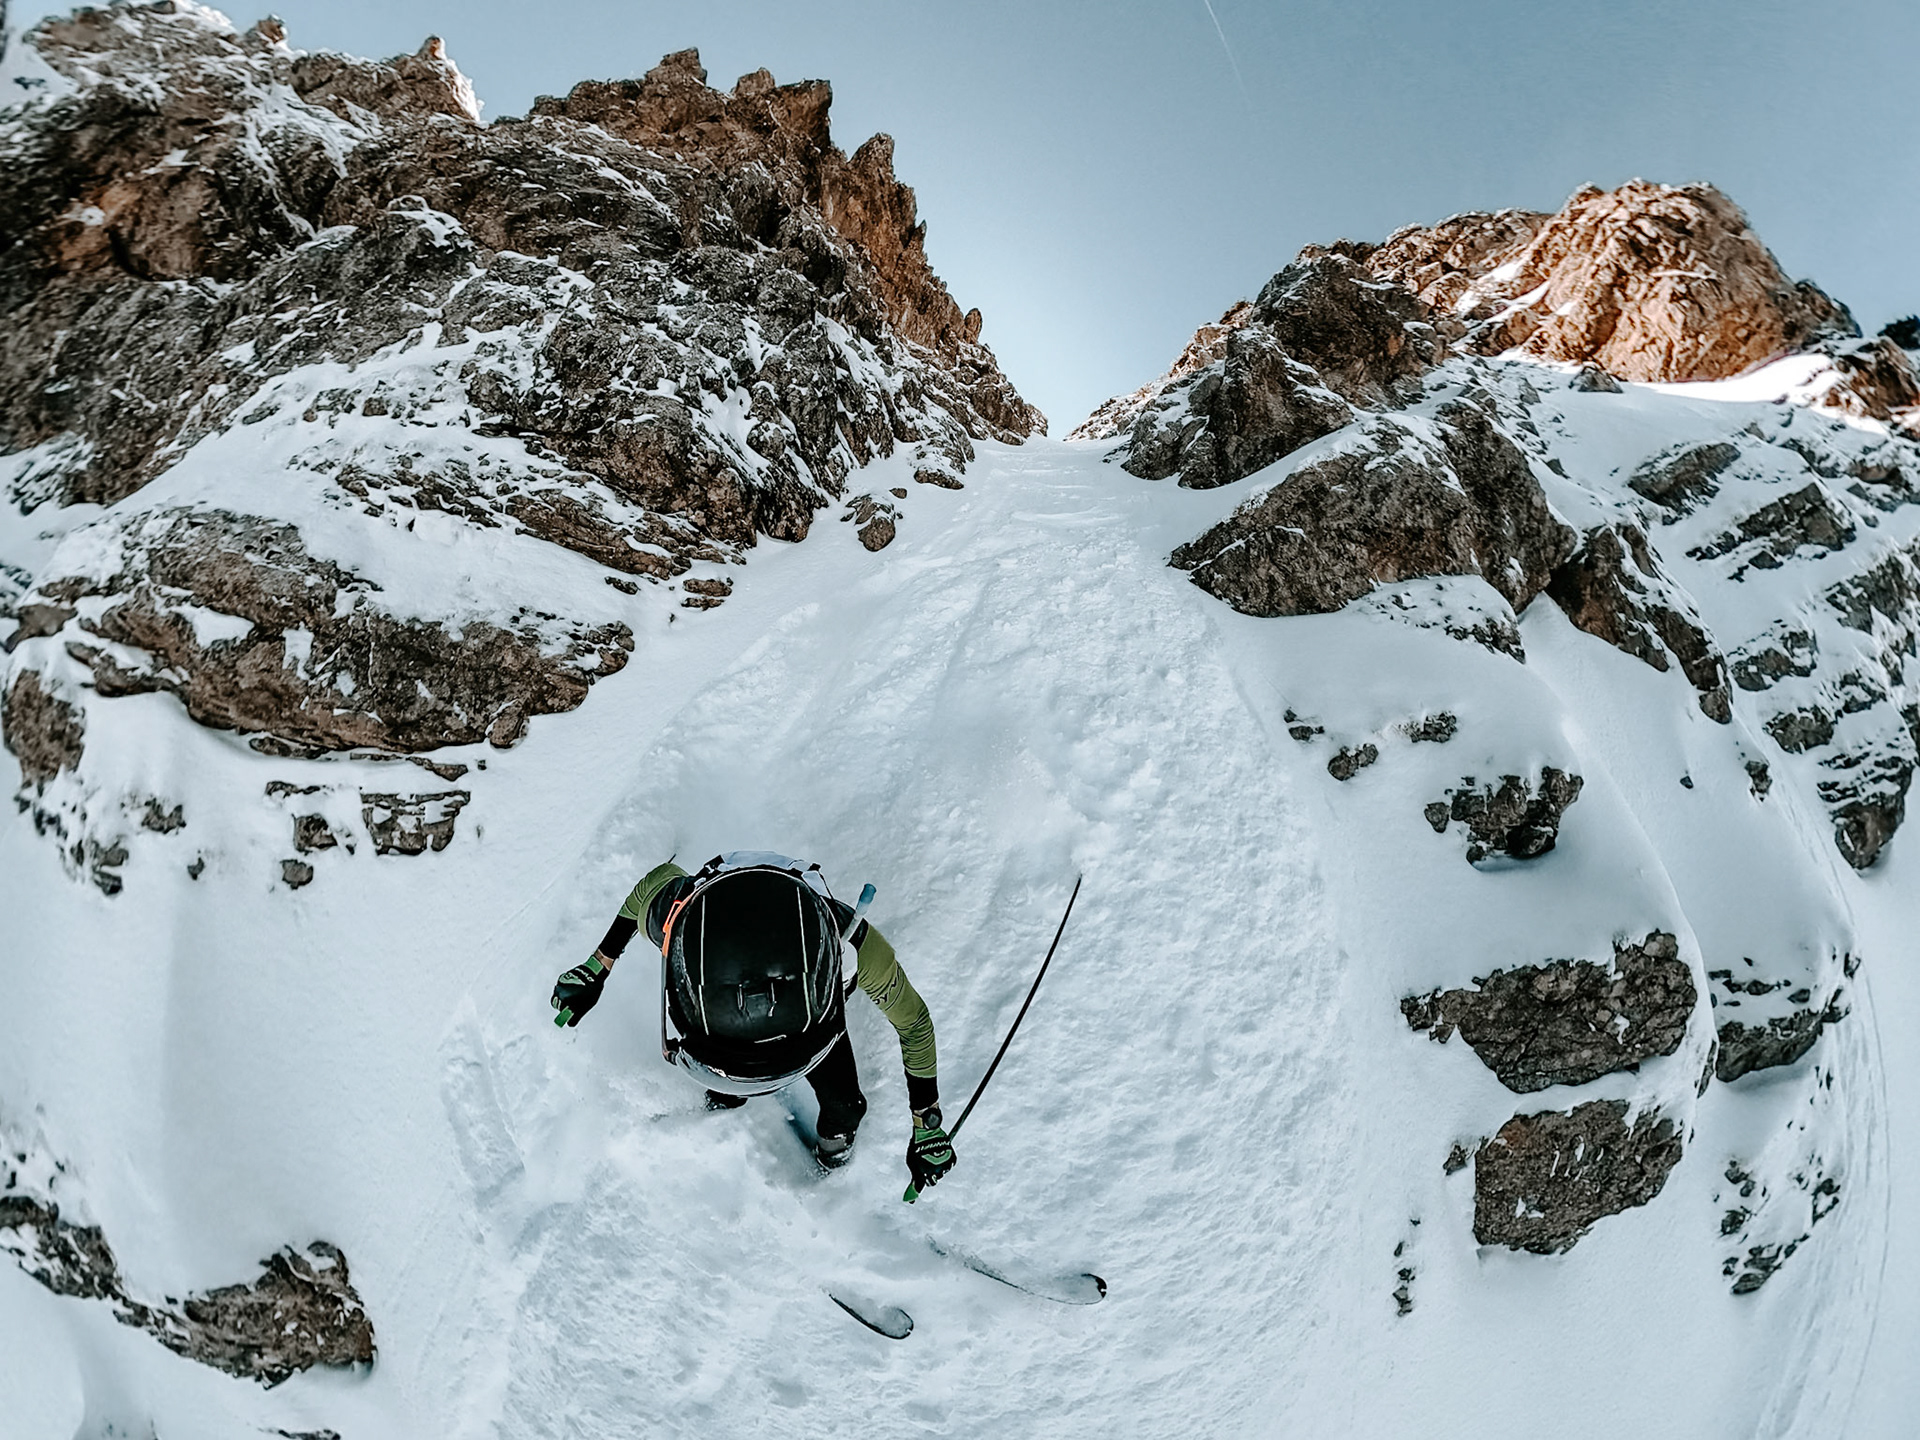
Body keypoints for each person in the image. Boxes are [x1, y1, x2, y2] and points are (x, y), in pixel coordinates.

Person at [550, 851, 956, 1191]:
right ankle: (802, 1137)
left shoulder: (681, 920)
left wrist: (598, 965)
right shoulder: (688, 927)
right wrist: (926, 1118)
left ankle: (799, 1133)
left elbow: (650, 887)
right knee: (840, 1104)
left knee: (841, 1107)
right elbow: (913, 1024)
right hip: (806, 1035)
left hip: (754, 1043)